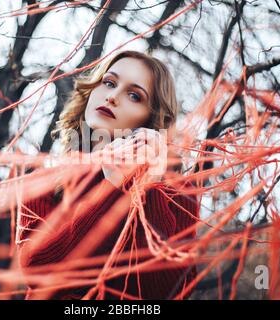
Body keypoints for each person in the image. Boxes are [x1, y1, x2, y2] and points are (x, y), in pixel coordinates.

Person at [17, 50, 199, 300]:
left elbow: (171, 291)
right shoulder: (41, 180)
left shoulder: (178, 193)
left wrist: (150, 188)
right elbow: (38, 270)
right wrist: (109, 186)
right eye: (109, 83)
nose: (113, 97)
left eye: (134, 95)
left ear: (151, 118)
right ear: (92, 89)